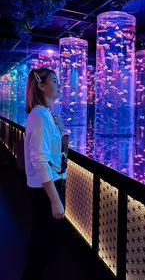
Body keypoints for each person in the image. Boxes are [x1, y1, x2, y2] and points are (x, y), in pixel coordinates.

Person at [21, 67, 67, 280]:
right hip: (45, 189)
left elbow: (55, 154)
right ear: (41, 86)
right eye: (54, 81)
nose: (59, 85)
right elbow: (39, 160)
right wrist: (55, 200)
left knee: (45, 238)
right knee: (45, 241)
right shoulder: (39, 116)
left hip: (46, 185)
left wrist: (59, 128)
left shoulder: (44, 115)